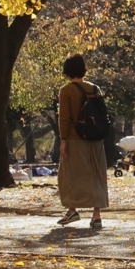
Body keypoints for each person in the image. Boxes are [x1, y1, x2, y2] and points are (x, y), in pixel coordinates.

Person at [56, 55, 108, 228]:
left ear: (67, 72)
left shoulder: (66, 90)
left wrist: (63, 140)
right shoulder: (95, 88)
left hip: (75, 138)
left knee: (69, 175)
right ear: (84, 70)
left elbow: (64, 118)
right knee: (96, 174)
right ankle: (96, 215)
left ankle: (72, 210)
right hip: (95, 138)